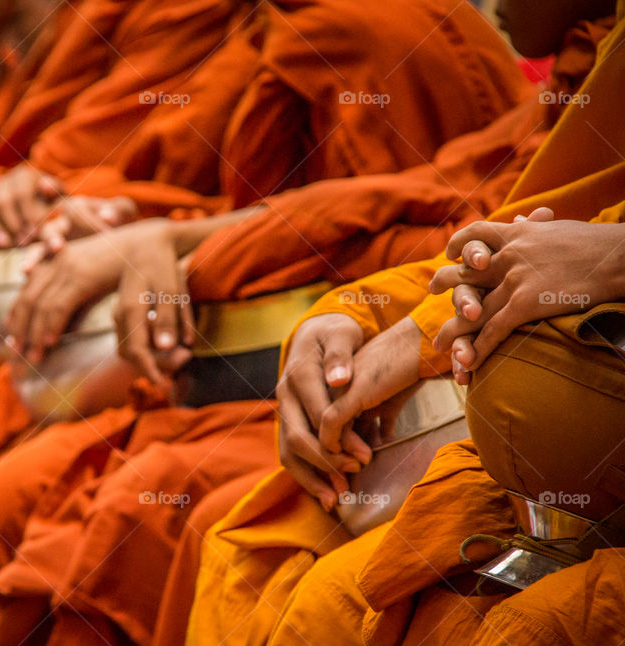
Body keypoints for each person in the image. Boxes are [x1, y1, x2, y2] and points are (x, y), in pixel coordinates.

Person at [0, 1, 530, 644]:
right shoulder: (220, 22)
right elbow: (104, 161)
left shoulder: (374, 28)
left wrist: (175, 240)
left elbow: (436, 227)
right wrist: (130, 220)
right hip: (214, 350)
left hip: (341, 391)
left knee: (127, 507)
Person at [186, 0, 625, 643]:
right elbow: (489, 226)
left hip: (564, 503)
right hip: (516, 486)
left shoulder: (363, 24)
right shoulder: (584, 74)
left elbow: (487, 222)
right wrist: (352, 314)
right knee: (267, 553)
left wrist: (613, 259)